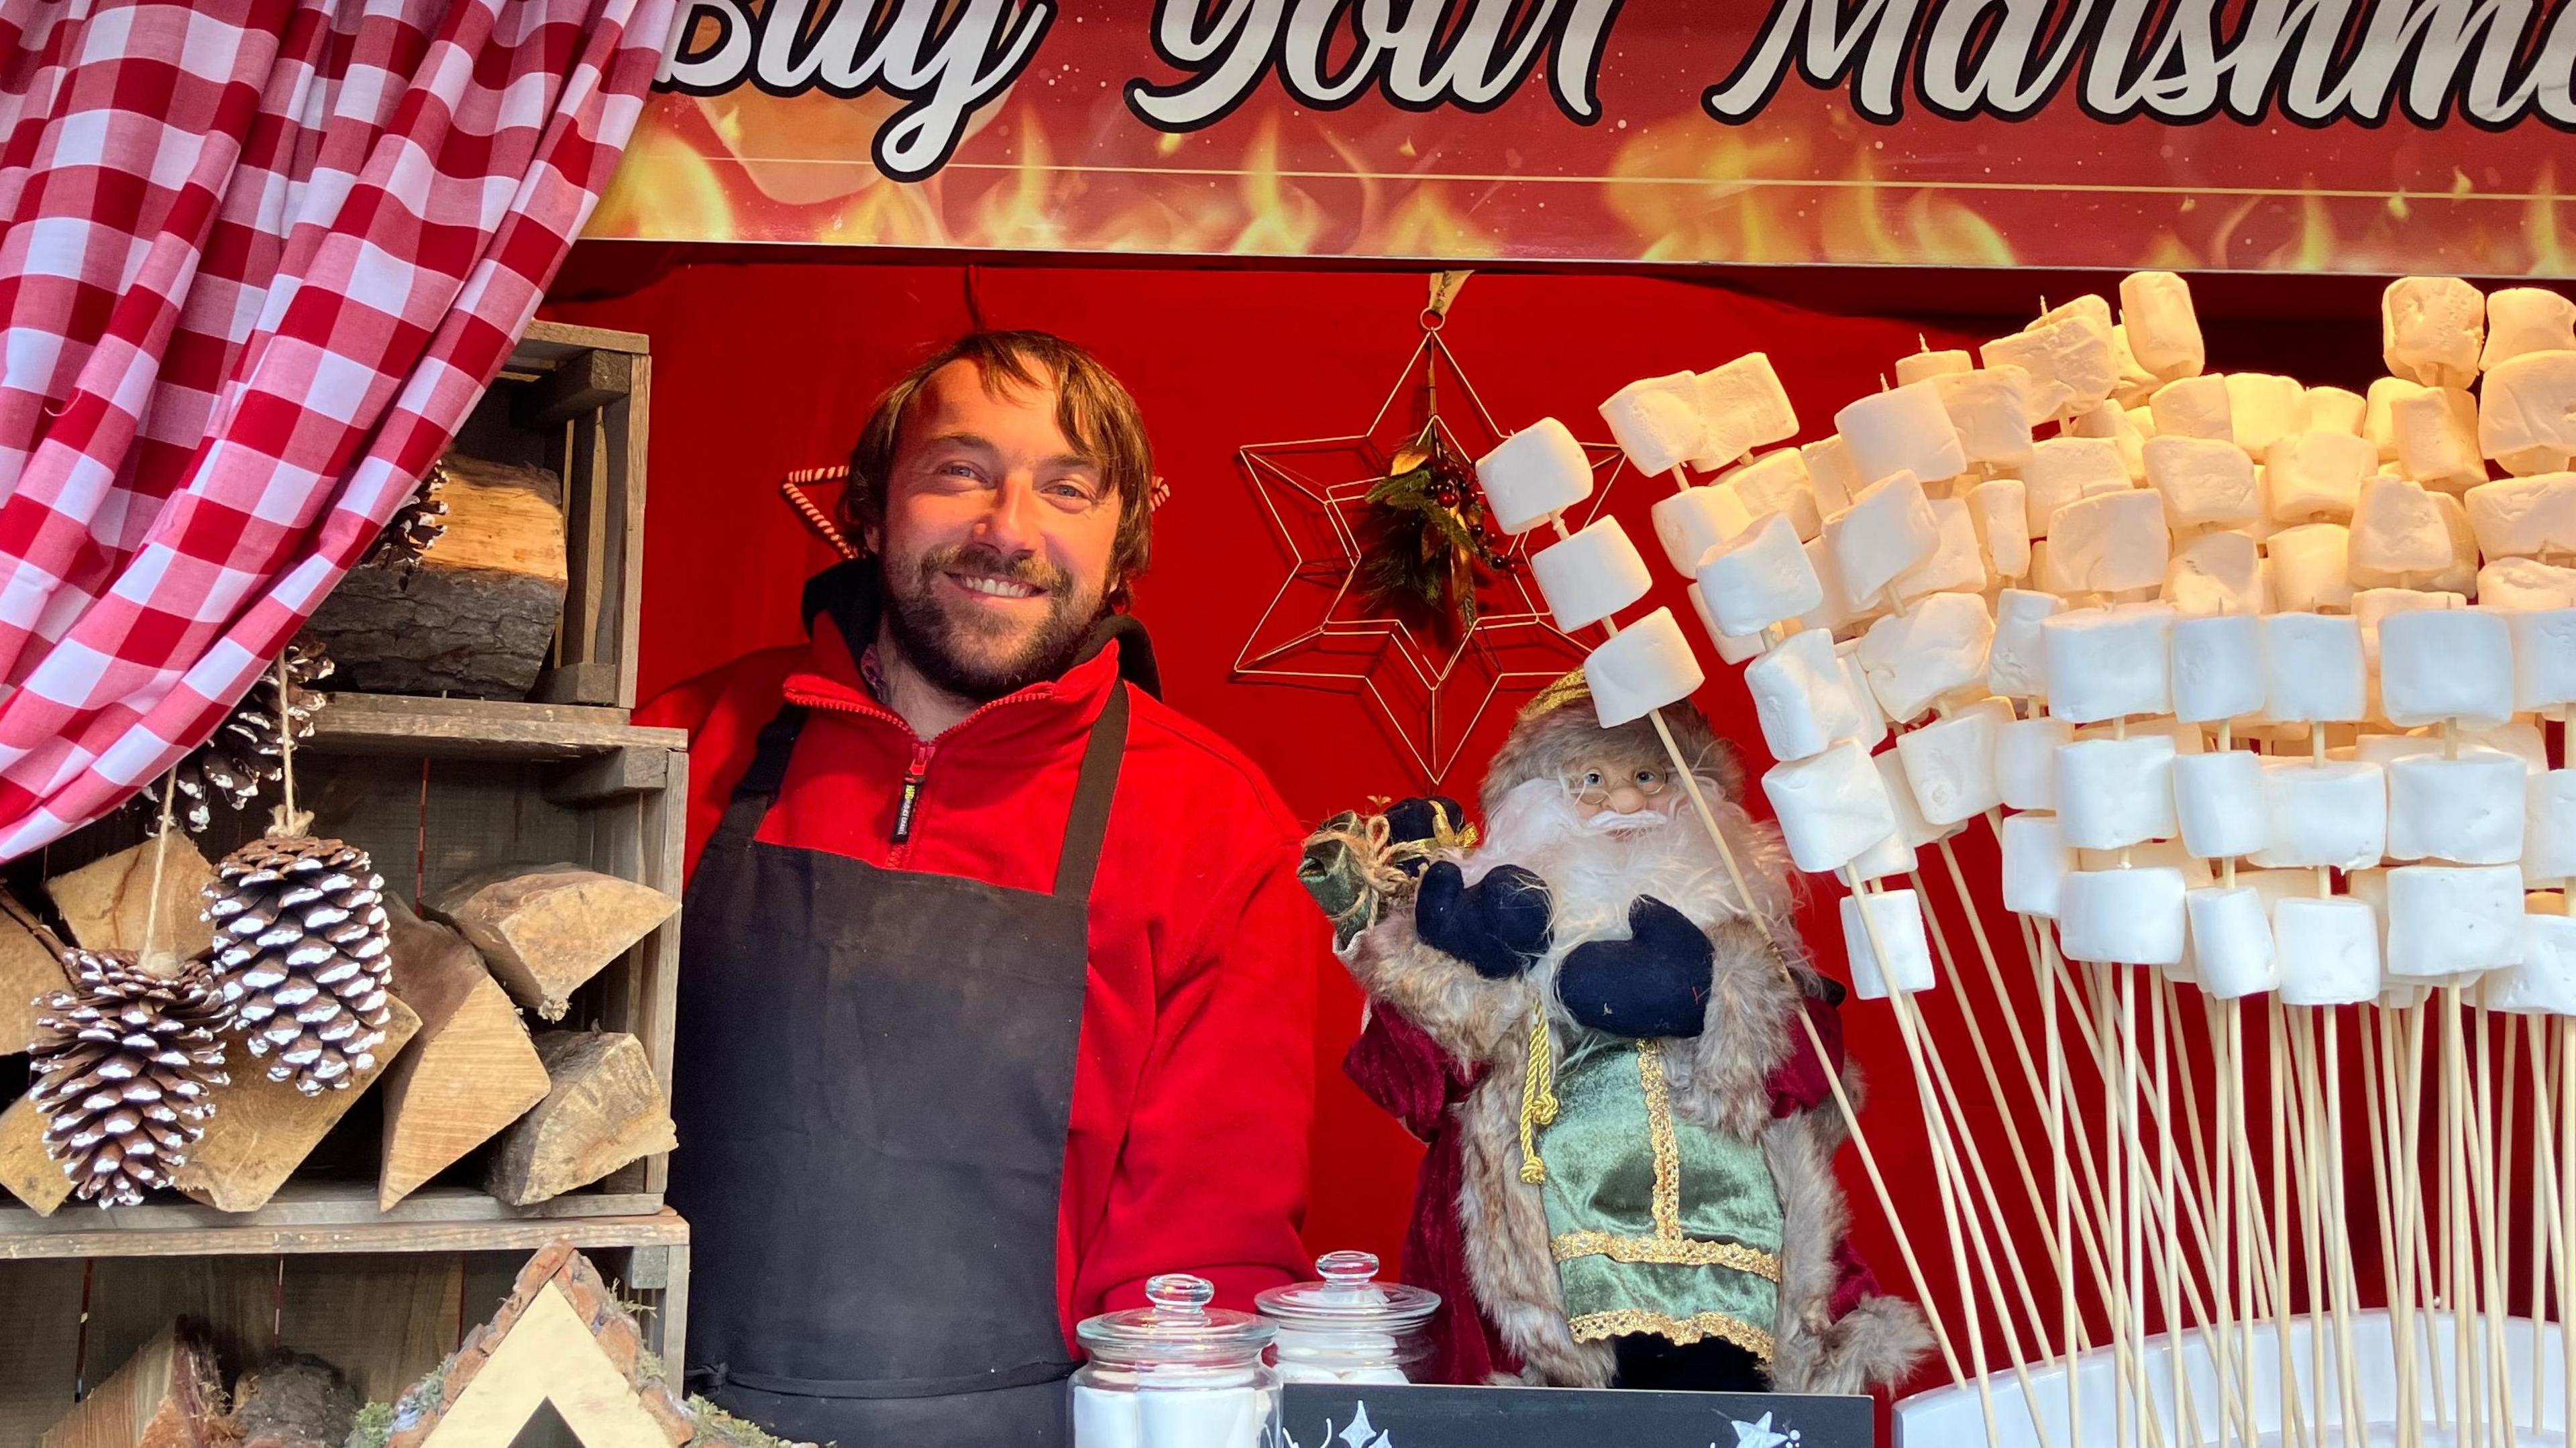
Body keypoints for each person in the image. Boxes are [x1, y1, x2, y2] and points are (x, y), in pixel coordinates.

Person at [643, 331, 1322, 1446]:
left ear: (1121, 550)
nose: (1008, 529)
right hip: (647, 1412)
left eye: (1067, 488)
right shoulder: (683, 742)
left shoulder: (1218, 824)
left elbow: (1206, 1261)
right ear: (869, 511)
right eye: (959, 472)